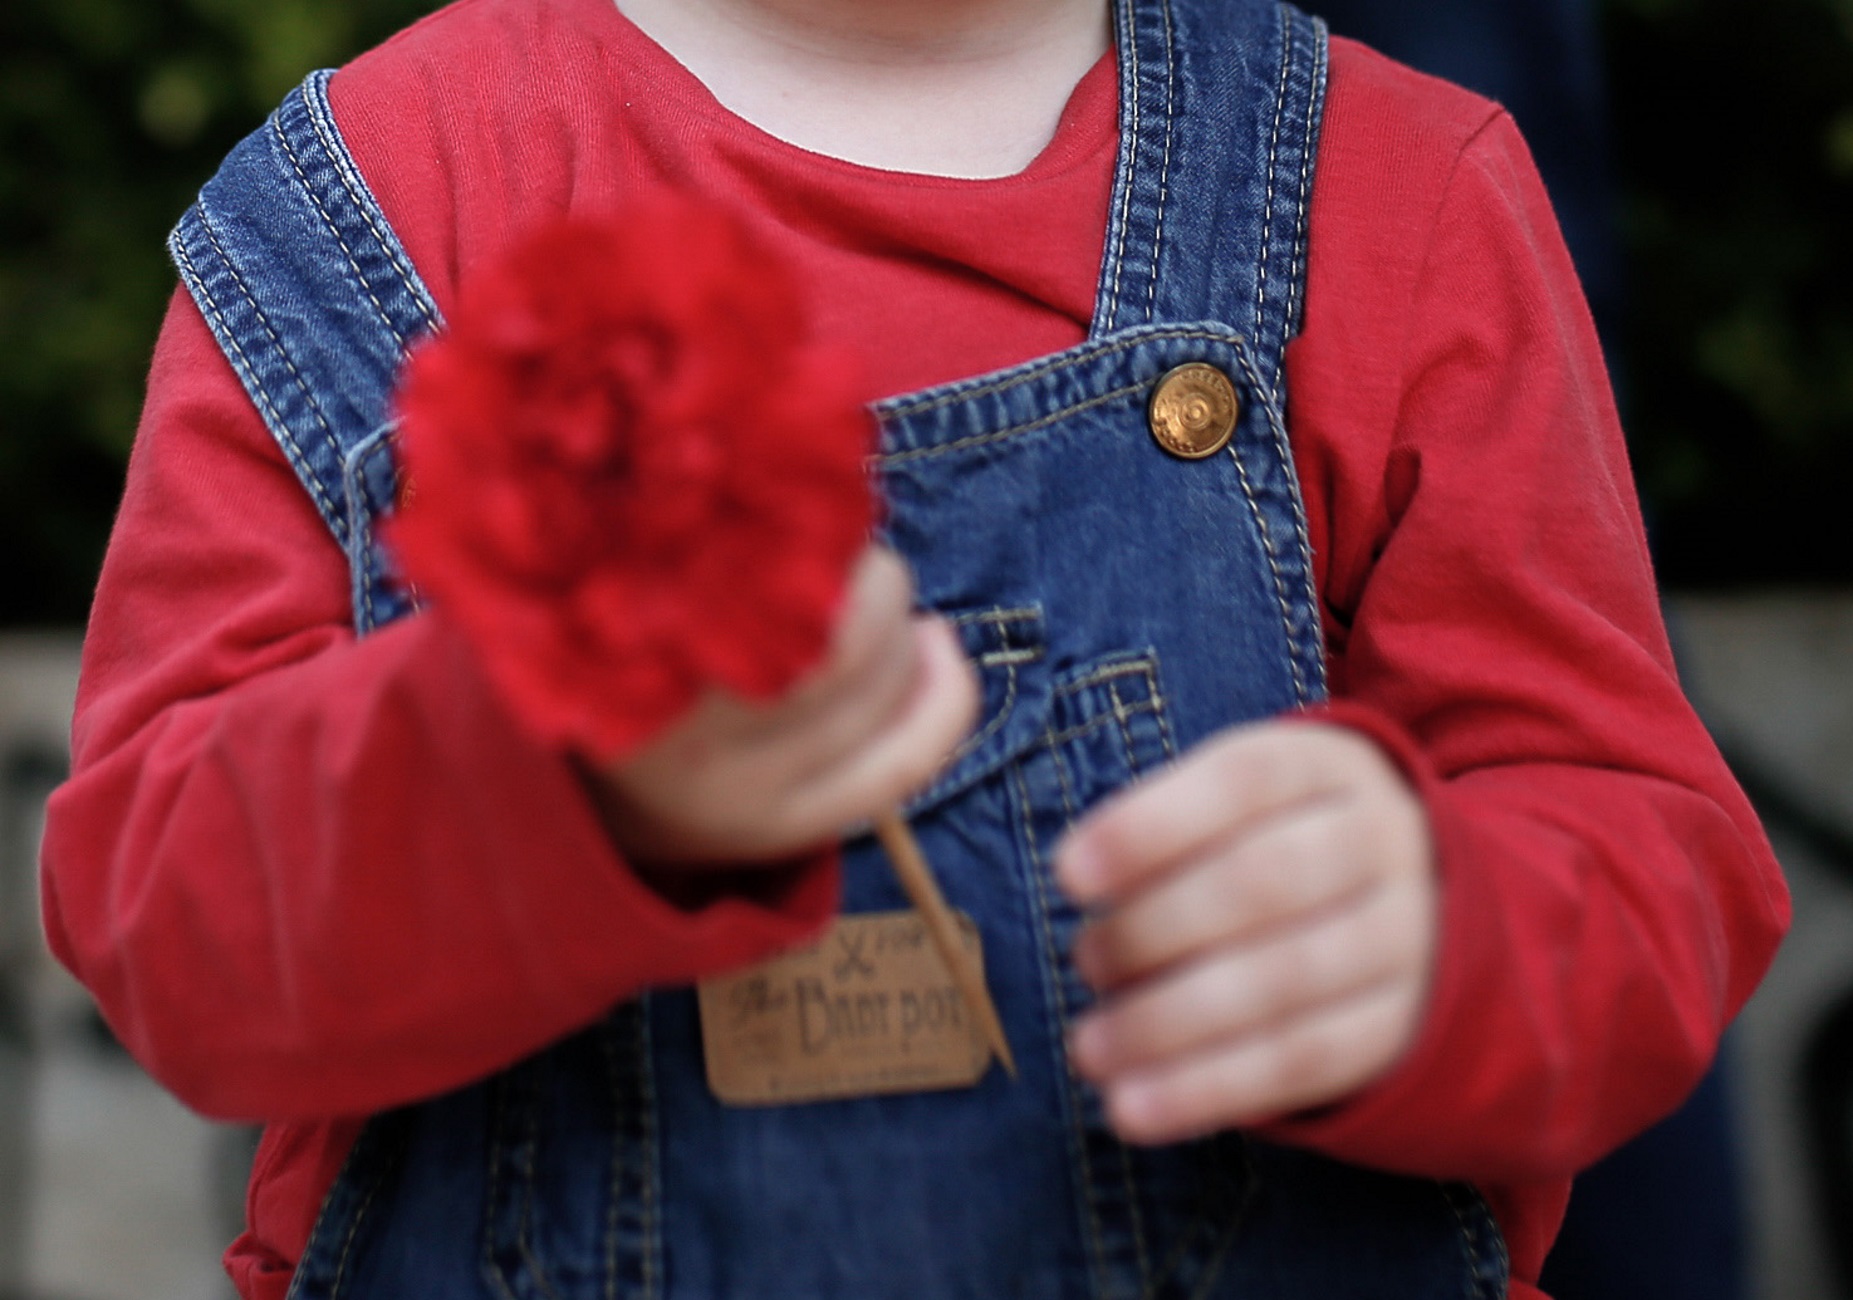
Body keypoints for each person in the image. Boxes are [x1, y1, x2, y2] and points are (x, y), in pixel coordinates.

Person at [39, 0, 1787, 1297]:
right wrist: (548, 762)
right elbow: (160, 920)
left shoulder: (1397, 195)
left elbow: (1647, 855)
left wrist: (1442, 934)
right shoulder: (364, 206)